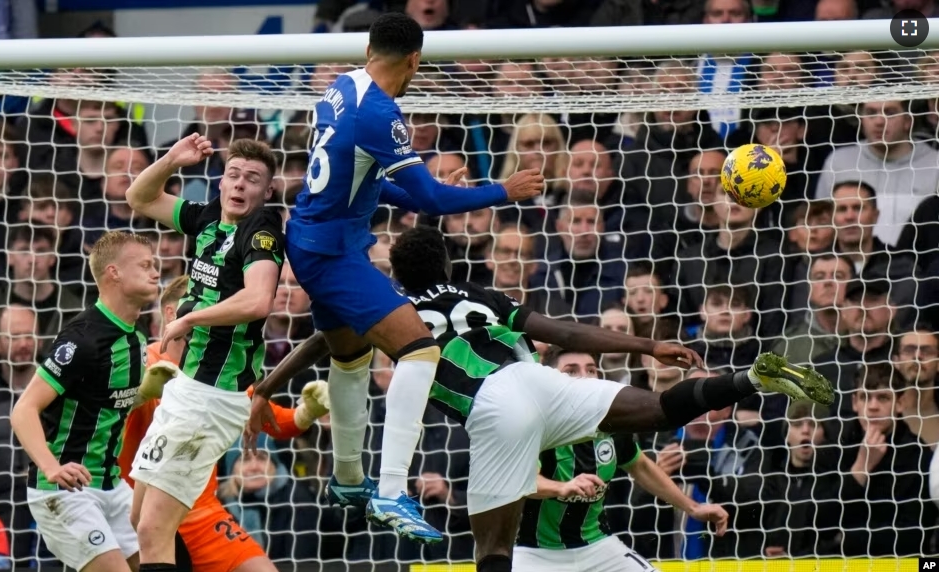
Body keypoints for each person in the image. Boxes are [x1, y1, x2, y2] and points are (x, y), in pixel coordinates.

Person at [250, 226, 834, 572]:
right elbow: (568, 335)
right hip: (542, 381)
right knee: (655, 412)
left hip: (495, 411)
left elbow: (322, 340)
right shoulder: (480, 294)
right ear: (450, 265)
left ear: (397, 277)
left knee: (492, 548)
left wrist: (266, 388)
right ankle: (748, 382)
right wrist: (649, 343)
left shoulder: (392, 311)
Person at [254, 11, 544, 544]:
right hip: (334, 253)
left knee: (349, 356)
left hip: (317, 238)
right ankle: (391, 491)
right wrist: (504, 191)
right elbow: (431, 199)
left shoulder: (341, 88)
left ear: (370, 49)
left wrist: (430, 186)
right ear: (414, 60)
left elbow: (371, 184)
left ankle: (346, 479)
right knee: (418, 350)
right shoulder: (382, 112)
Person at [124, 134, 285, 572]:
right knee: (139, 520)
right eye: (233, 175)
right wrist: (174, 160)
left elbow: (257, 301)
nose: (239, 185)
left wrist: (192, 318)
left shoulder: (263, 233)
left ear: (266, 191)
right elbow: (138, 197)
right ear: (220, 181)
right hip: (186, 390)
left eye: (252, 179)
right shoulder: (207, 219)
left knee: (152, 532)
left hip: (212, 397)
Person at [117, 275, 330, 572]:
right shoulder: (138, 363)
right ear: (170, 313)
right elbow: (102, 422)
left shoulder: (218, 372)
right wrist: (139, 396)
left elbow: (273, 419)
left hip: (200, 510)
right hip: (134, 506)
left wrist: (307, 412)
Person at [11, 231, 160, 572]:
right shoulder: (82, 339)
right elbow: (24, 410)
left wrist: (145, 393)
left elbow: (102, 404)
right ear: (114, 273)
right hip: (64, 492)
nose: (156, 273)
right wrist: (51, 467)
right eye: (145, 265)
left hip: (112, 485)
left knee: (160, 562)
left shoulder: (135, 336)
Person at [513, 346, 730, 572]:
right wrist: (562, 487)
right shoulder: (532, 426)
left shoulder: (611, 426)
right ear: (548, 381)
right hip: (535, 552)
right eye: (571, 371)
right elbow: (521, 480)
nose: (585, 377)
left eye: (591, 370)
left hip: (597, 546)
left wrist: (693, 508)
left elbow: (641, 465)